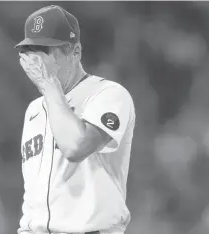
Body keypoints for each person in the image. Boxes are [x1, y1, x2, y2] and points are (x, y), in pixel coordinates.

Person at [15, 5, 136, 234]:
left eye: (46, 50)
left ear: (75, 51)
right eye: (31, 49)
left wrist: (48, 85)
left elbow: (75, 147)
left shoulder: (108, 94)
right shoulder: (34, 110)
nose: (38, 60)